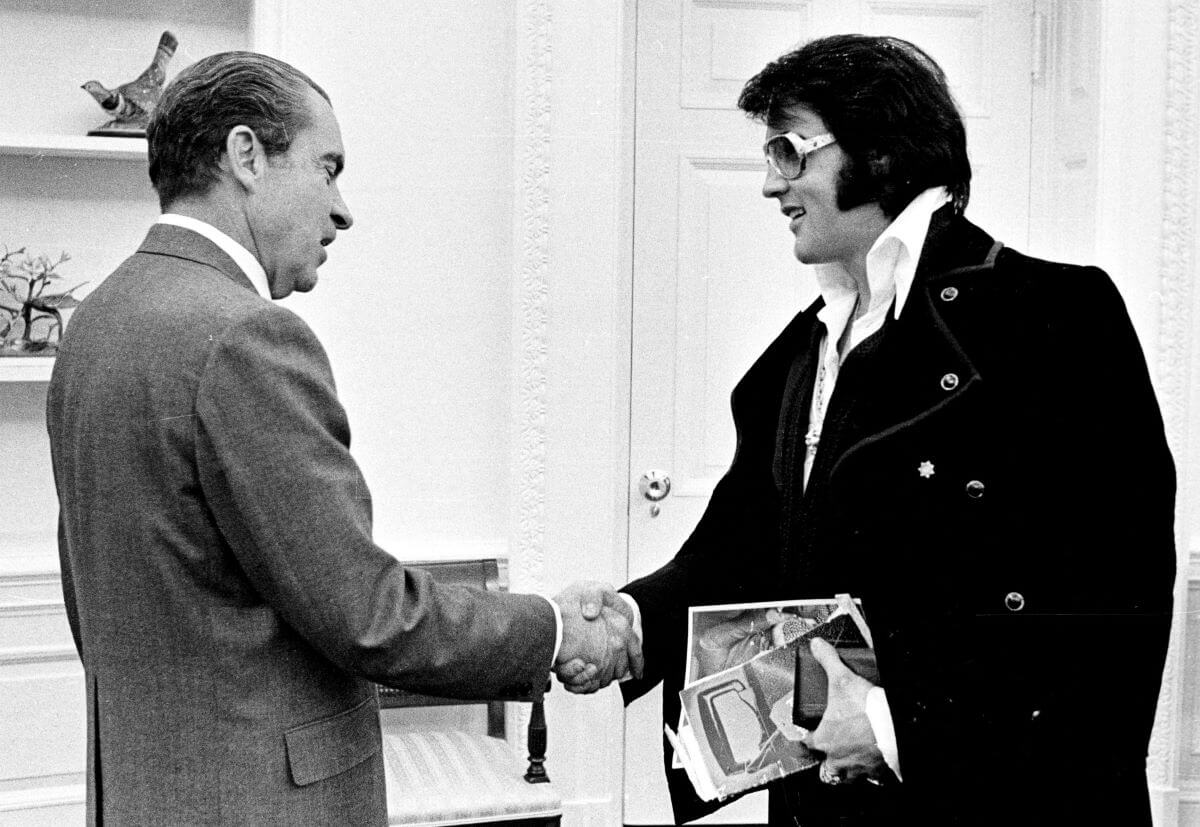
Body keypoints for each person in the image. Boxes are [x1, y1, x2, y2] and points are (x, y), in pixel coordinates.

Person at [559, 34, 1176, 826]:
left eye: (790, 151)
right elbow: (740, 550)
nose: (770, 183)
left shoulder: (1054, 317)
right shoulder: (796, 355)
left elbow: (1109, 610)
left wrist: (892, 726)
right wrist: (632, 623)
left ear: (882, 155)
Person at [47, 51, 639, 825]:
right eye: (328, 168)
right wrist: (555, 628)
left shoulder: (97, 321)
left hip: (146, 789)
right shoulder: (245, 337)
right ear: (246, 156)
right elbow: (370, 615)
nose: (343, 209)